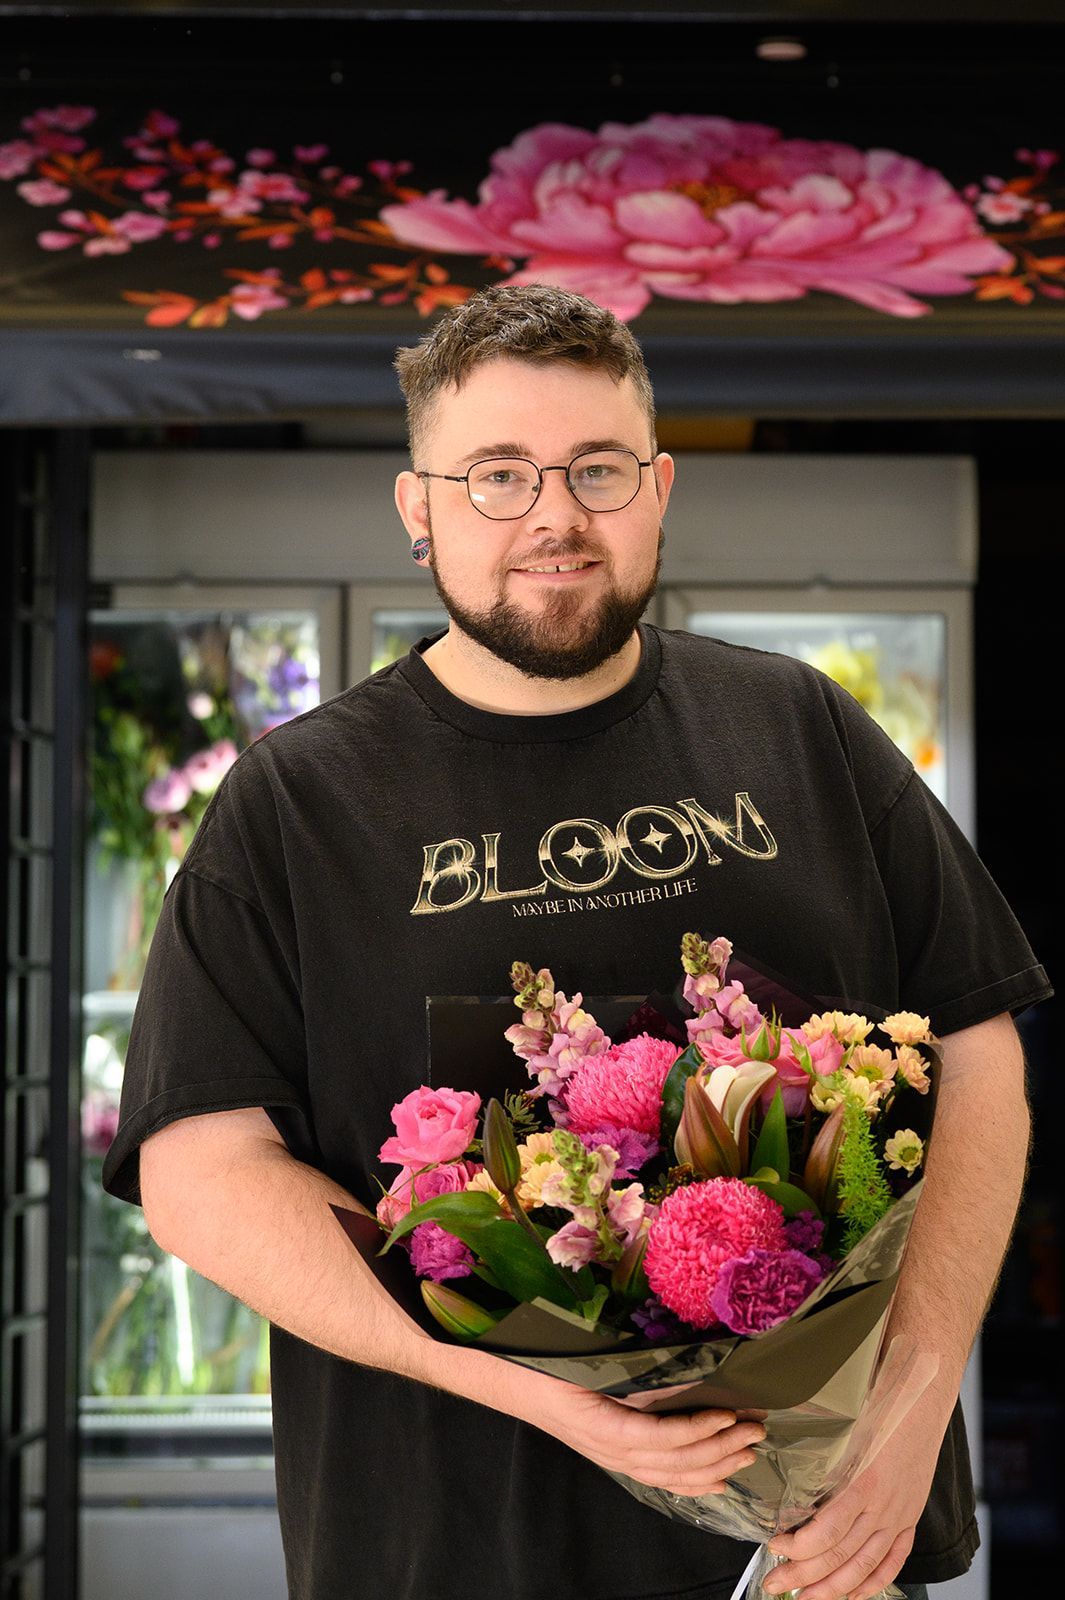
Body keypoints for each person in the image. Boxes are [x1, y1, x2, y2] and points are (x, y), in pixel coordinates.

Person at [103, 283, 1051, 1600]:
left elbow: (975, 1044)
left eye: (596, 470)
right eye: (497, 474)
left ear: (656, 490)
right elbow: (200, 1172)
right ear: (418, 507)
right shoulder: (297, 803)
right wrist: (516, 1380)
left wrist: (909, 1398)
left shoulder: (798, 729)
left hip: (825, 1548)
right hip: (446, 1552)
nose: (553, 515)